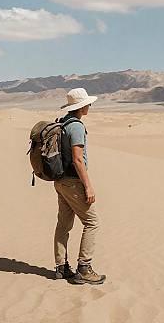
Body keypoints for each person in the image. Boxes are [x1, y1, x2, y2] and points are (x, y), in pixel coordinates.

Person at [53, 87, 106, 285]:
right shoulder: (75, 126)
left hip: (60, 181)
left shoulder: (63, 122)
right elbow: (77, 159)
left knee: (64, 225)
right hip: (73, 182)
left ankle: (61, 267)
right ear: (82, 106)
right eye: (88, 104)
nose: (90, 106)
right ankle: (84, 268)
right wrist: (88, 186)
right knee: (92, 222)